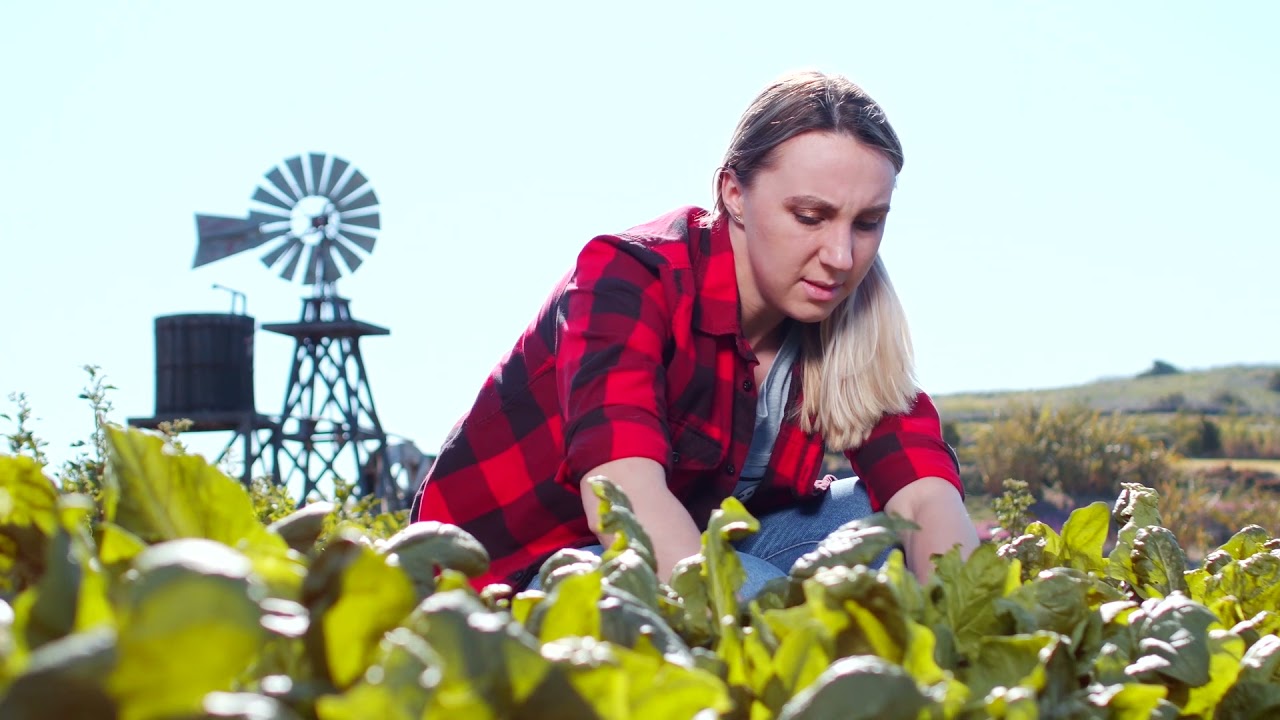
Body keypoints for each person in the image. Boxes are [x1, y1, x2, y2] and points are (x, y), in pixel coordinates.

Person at [411, 70, 979, 595]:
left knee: (882, 529)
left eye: (867, 222)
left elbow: (924, 490)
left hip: (692, 537)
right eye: (810, 216)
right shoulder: (629, 278)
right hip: (523, 568)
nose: (839, 255)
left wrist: (967, 620)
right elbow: (623, 498)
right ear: (734, 193)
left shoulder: (848, 311)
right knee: (754, 584)